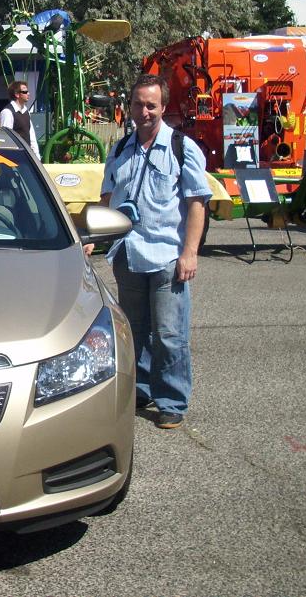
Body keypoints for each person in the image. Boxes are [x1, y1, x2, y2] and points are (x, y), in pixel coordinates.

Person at [98, 74, 211, 430]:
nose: (144, 111)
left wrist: (190, 252)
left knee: (168, 334)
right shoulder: (119, 149)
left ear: (163, 107)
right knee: (135, 331)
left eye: (151, 105)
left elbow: (197, 204)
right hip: (128, 254)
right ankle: (142, 389)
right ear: (129, 106)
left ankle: (172, 400)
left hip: (167, 257)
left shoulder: (182, 147)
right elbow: (107, 197)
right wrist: (95, 235)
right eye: (138, 104)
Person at [0, 80, 40, 154]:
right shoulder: (7, 112)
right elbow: (6, 139)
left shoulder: (26, 112)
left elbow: (31, 136)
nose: (28, 93)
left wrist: (36, 155)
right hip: (14, 155)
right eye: (25, 92)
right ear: (17, 94)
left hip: (26, 155)